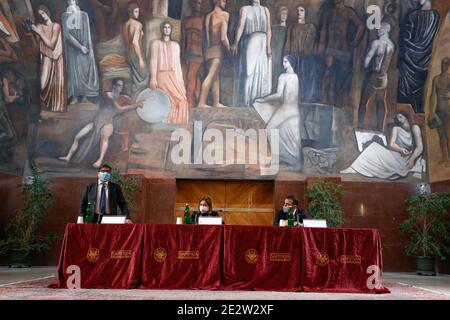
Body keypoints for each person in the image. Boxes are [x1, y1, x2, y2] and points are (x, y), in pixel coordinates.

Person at [59, 78, 143, 168]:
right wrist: (135, 105)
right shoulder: (108, 95)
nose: (120, 88)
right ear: (113, 86)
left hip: (107, 123)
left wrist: (138, 103)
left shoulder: (123, 98)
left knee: (104, 138)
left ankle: (100, 160)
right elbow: (119, 109)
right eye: (118, 85)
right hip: (95, 122)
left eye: (121, 86)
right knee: (77, 136)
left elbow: (135, 103)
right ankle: (68, 157)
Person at [341, 112, 425, 179]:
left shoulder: (415, 128)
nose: (399, 119)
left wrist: (412, 159)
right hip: (397, 154)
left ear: (406, 117)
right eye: (397, 118)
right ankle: (355, 168)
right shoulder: (396, 129)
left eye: (401, 117)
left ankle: (358, 168)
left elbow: (420, 147)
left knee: (398, 166)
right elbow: (391, 144)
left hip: (408, 158)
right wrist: (400, 149)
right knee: (373, 147)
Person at [253, 55, 302, 171]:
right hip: (294, 111)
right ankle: (285, 160)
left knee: (270, 129)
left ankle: (279, 158)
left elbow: (279, 95)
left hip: (286, 109)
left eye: (285, 61)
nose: (283, 64)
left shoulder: (283, 76)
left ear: (291, 62)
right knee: (291, 136)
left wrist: (263, 99)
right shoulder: (296, 77)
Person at [397, 0, 439, 113]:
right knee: (419, 90)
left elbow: (405, 39)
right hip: (425, 60)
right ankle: (417, 112)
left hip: (409, 59)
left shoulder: (413, 15)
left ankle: (405, 111)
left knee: (404, 89)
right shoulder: (435, 17)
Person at [231, 0, 272, 107]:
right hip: (251, 41)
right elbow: (240, 26)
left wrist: (268, 46)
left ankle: (259, 102)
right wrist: (235, 42)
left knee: (263, 72)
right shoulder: (245, 9)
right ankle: (247, 102)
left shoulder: (265, 10)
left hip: (263, 42)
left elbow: (268, 29)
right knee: (249, 72)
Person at [357, 22, 395, 132]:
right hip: (384, 76)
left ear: (385, 30)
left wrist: (364, 69)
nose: (378, 30)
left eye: (380, 29)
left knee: (363, 101)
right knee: (380, 101)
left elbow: (366, 61)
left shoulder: (376, 43)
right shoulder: (392, 45)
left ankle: (360, 126)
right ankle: (380, 128)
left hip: (374, 74)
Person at [149, 21, 189, 125]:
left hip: (174, 76)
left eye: (169, 27)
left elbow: (177, 65)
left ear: (171, 30)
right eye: (165, 27)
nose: (167, 29)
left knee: (182, 100)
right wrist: (153, 78)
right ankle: (167, 122)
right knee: (168, 100)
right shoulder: (155, 43)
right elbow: (153, 61)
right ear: (162, 29)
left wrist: (180, 81)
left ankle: (177, 122)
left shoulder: (176, 45)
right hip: (162, 75)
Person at [62, 0, 100, 104]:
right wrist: (80, 47)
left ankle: (84, 96)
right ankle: (74, 96)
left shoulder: (84, 15)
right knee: (73, 72)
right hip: (72, 49)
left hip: (85, 48)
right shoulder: (65, 16)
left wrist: (89, 49)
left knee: (84, 70)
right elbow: (67, 35)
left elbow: (87, 34)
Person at [31, 5, 67, 113]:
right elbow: (36, 45)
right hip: (46, 57)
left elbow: (51, 44)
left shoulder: (56, 26)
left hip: (57, 58)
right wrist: (31, 33)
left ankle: (55, 109)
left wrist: (39, 32)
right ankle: (44, 108)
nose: (43, 16)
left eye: (44, 13)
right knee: (42, 83)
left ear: (48, 12)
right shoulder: (39, 26)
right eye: (40, 14)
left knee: (58, 85)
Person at [197, 0, 230, 108]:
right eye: (224, 1)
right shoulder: (224, 15)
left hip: (209, 50)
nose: (226, 2)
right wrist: (229, 49)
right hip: (217, 49)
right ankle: (201, 102)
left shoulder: (208, 16)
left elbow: (206, 37)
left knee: (215, 77)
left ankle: (216, 102)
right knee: (211, 76)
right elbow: (223, 38)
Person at [284, 6, 319, 103]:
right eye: (298, 10)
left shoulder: (310, 27)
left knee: (305, 80)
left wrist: (303, 55)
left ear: (306, 12)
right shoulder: (292, 27)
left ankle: (305, 100)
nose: (299, 12)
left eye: (302, 10)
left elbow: (309, 46)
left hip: (306, 60)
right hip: (293, 59)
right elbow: (287, 44)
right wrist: (287, 57)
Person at [181, 0, 204, 107]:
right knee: (193, 77)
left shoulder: (204, 20)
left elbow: (206, 39)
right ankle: (198, 101)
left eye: (200, 3)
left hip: (198, 53)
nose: (197, 5)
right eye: (196, 3)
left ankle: (189, 102)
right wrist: (181, 53)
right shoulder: (186, 20)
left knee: (191, 76)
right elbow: (183, 39)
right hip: (187, 53)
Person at [428, 57, 450, 166]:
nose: (444, 66)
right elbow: (432, 96)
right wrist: (431, 111)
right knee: (441, 136)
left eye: (446, 64)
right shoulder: (436, 79)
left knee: (448, 135)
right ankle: (445, 158)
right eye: (443, 63)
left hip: (448, 111)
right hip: (439, 111)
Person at [123, 2, 148, 93]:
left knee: (135, 75)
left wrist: (127, 54)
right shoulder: (138, 24)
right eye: (136, 11)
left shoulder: (125, 24)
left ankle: (134, 96)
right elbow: (134, 42)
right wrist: (140, 59)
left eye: (138, 11)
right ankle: (139, 96)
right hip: (136, 53)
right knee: (144, 75)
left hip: (129, 53)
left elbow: (126, 43)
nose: (138, 13)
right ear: (131, 12)